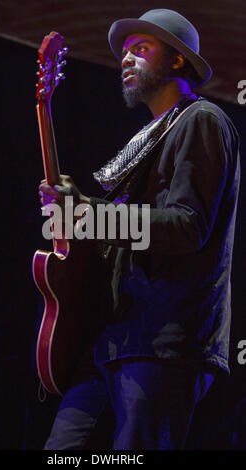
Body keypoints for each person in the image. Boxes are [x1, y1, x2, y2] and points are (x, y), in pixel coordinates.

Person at [38, 9, 240, 450]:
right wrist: (77, 218)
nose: (126, 59)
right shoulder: (148, 137)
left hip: (163, 342)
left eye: (141, 49)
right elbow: (121, 239)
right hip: (111, 339)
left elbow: (186, 229)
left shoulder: (200, 121)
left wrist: (89, 213)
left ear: (177, 61)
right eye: (125, 53)